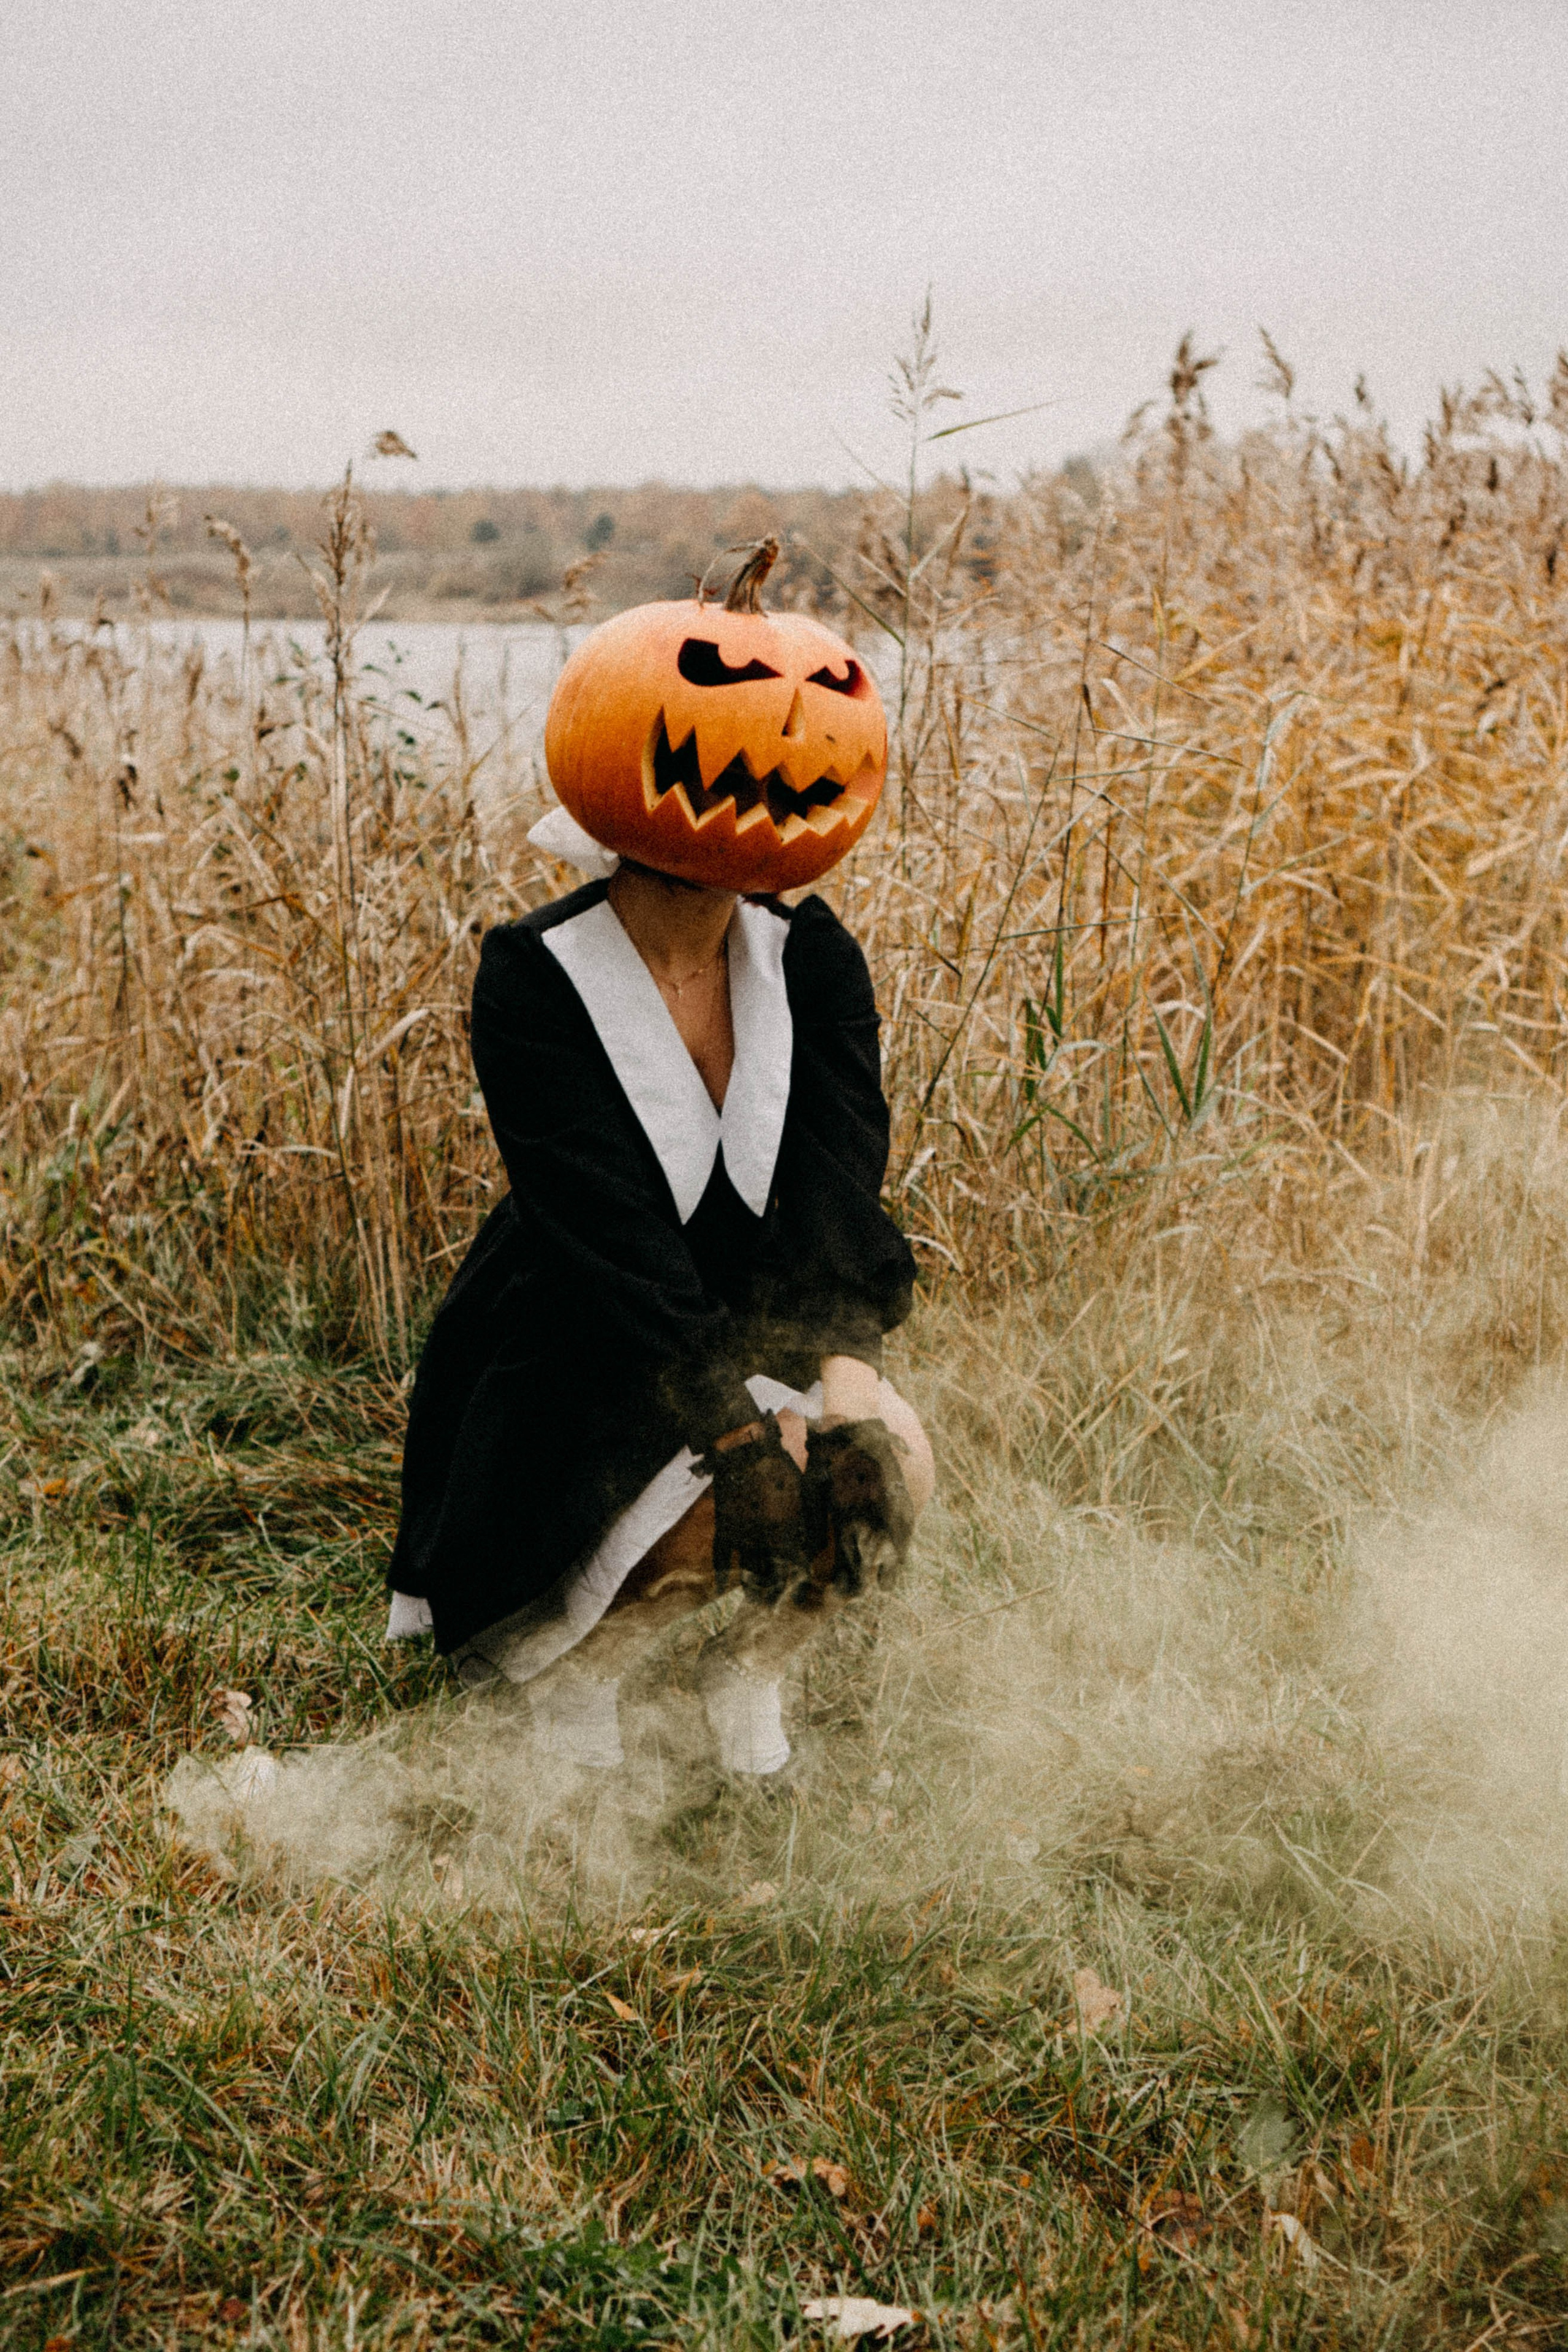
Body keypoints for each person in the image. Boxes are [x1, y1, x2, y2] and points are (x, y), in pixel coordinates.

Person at [385, 546, 933, 1775]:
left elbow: (842, 1184)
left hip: (756, 1308)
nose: (773, 743)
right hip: (584, 1337)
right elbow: (605, 1239)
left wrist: (843, 1376)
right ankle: (576, 1676)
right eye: (720, 689)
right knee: (710, 1497)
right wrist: (739, 1435)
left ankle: (750, 1678)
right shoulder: (532, 976)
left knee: (878, 1460)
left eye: (811, 709)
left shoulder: (813, 959)